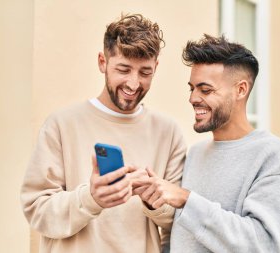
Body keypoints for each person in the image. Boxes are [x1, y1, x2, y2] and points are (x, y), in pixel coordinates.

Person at [20, 14, 186, 253]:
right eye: (123, 69)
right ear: (102, 62)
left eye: (145, 72)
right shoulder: (61, 124)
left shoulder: (169, 133)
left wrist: (155, 202)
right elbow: (37, 212)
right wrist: (91, 198)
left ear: (156, 68)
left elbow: (179, 223)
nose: (133, 83)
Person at [133, 34, 280, 252]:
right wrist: (155, 200)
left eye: (206, 89)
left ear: (240, 90)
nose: (193, 98)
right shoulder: (196, 153)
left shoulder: (273, 154)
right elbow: (182, 235)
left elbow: (264, 244)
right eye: (192, 88)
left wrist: (186, 199)